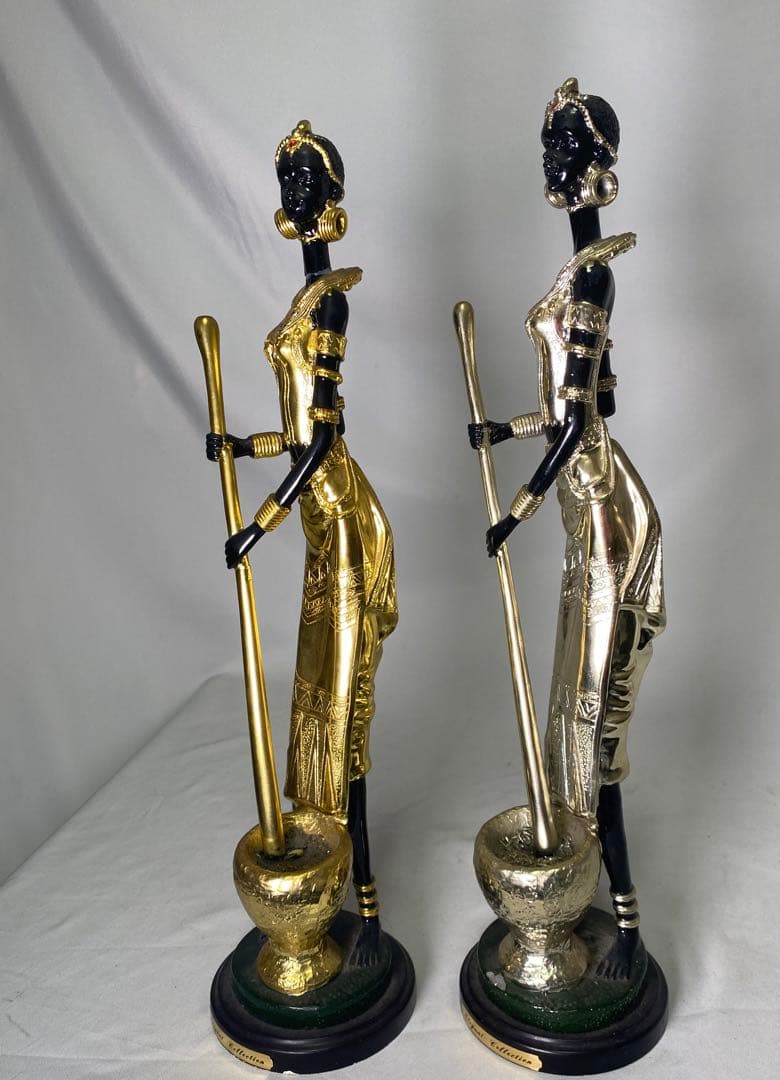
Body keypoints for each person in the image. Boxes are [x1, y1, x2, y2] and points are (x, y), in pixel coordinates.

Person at [470, 79, 665, 978]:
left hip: (603, 521)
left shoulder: (594, 274)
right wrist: (502, 431)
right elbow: (570, 414)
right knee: (564, 722)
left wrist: (516, 507)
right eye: (548, 149)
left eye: (565, 151)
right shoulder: (577, 272)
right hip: (581, 518)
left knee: (590, 732)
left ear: (595, 167)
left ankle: (625, 926)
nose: (552, 165)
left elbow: (583, 418)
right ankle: (580, 900)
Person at [207, 121, 397, 963]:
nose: (293, 196)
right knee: (314, 702)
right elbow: (292, 439)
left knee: (342, 708)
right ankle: (339, 886)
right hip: (319, 525)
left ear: (330, 198)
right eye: (285, 182)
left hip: (341, 523)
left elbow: (321, 445)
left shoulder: (331, 299)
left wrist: (259, 523)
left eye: (305, 182)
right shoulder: (302, 300)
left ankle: (367, 902)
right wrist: (242, 447)